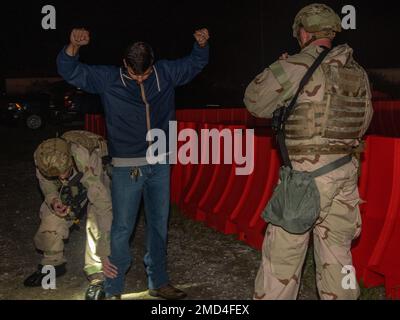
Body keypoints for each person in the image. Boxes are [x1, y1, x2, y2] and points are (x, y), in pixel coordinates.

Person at [57, 27, 210, 299]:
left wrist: (201, 46)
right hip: (127, 165)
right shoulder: (108, 78)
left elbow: (195, 64)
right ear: (124, 63)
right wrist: (73, 47)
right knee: (121, 229)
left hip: (160, 162)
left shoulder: (165, 73)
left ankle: (159, 282)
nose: (140, 78)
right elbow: (70, 70)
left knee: (159, 225)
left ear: (153, 65)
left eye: (145, 73)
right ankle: (114, 288)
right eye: (134, 73)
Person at [244, 3, 373, 300]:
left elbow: (253, 100)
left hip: (306, 181)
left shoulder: (297, 65)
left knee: (282, 261)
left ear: (303, 32)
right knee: (338, 258)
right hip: (346, 176)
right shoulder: (358, 72)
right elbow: (364, 121)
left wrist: (281, 68)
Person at [24, 130, 112, 300]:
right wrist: (54, 200)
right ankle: (52, 264)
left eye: (63, 172)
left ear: (70, 161)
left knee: (95, 219)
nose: (61, 177)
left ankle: (97, 274)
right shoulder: (43, 158)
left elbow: (103, 208)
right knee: (51, 215)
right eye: (56, 175)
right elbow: (47, 186)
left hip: (94, 169)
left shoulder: (85, 159)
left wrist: (105, 251)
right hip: (74, 172)